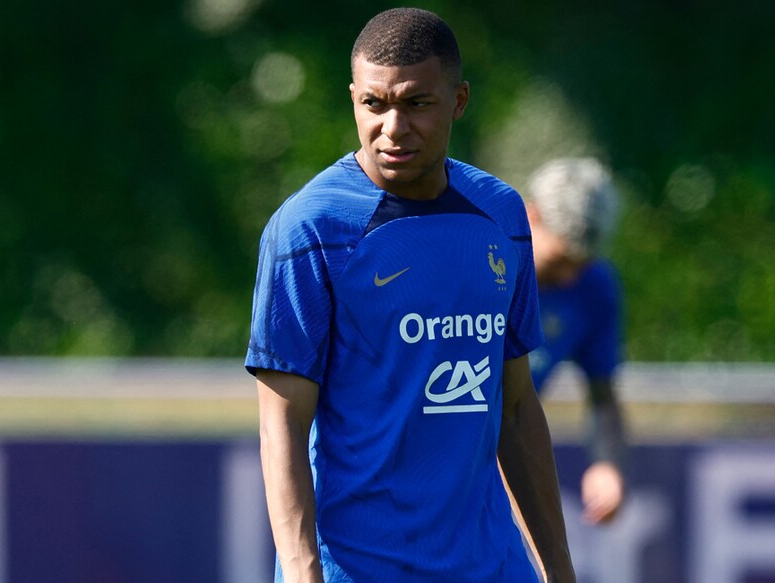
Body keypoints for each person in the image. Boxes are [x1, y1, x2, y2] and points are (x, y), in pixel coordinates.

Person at [246, 8, 575, 582]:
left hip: (492, 568)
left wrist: (560, 572)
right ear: (353, 99)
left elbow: (518, 407)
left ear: (459, 101)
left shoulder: (501, 216)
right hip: (362, 569)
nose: (392, 127)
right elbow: (282, 424)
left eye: (417, 103)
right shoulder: (309, 230)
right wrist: (301, 573)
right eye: (373, 104)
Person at [523, 158, 627, 526]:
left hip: (507, 451)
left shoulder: (595, 286)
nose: (569, 278)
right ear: (531, 215)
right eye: (560, 261)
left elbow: (602, 393)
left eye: (581, 264)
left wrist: (606, 464)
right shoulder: (478, 266)